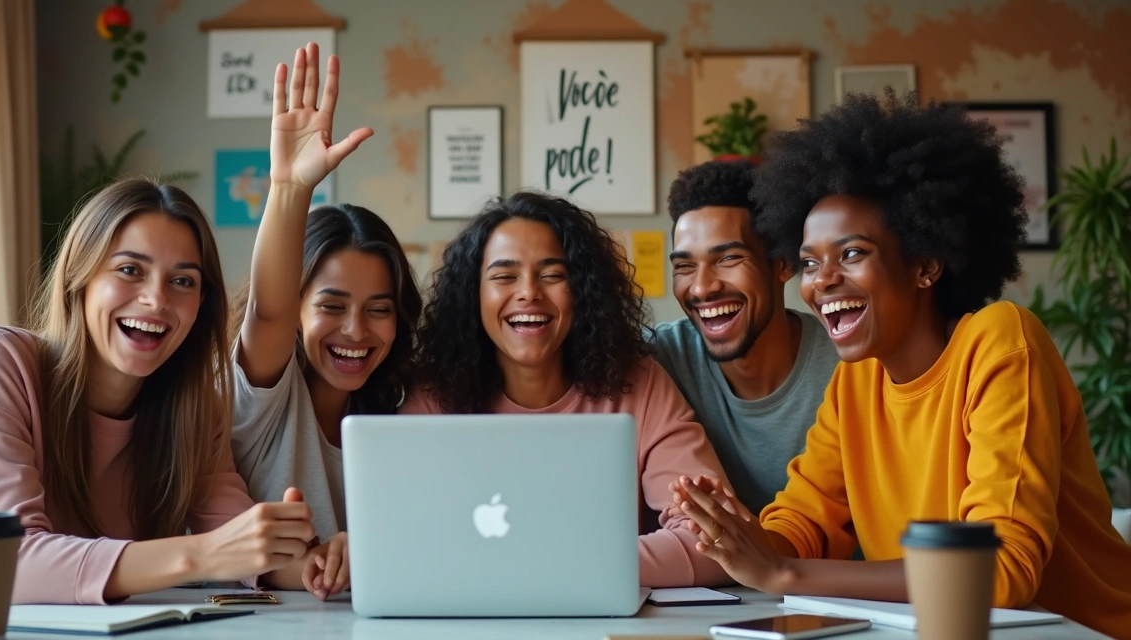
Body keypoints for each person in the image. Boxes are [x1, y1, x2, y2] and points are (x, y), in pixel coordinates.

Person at [670, 90, 1131, 638]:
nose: (822, 281)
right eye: (812, 262)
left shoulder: (1001, 342)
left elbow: (1001, 572)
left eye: (853, 254)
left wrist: (784, 571)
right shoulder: (856, 381)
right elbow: (802, 524)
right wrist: (740, 537)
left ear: (925, 264)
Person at [0, 178, 318, 611]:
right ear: (79, 276)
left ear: (202, 305)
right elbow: (3, 559)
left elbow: (243, 548)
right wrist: (204, 553)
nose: (155, 299)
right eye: (130, 270)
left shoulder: (192, 410)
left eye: (183, 281)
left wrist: (318, 564)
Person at [404, 191, 734, 588]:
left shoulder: (639, 384)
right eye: (504, 276)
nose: (529, 292)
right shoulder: (431, 397)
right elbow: (397, 538)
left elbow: (715, 540)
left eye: (552, 275)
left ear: (582, 291)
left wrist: (551, 566)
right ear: (473, 296)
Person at [229, 44, 420, 601]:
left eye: (379, 309)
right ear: (298, 309)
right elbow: (268, 309)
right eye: (331, 306)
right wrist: (290, 189)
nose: (356, 331)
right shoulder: (266, 393)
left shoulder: (400, 406)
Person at [653, 160, 839, 516]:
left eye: (728, 258)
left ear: (784, 263)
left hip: (840, 571)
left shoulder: (851, 365)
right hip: (711, 568)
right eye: (685, 266)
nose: (702, 287)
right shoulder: (660, 359)